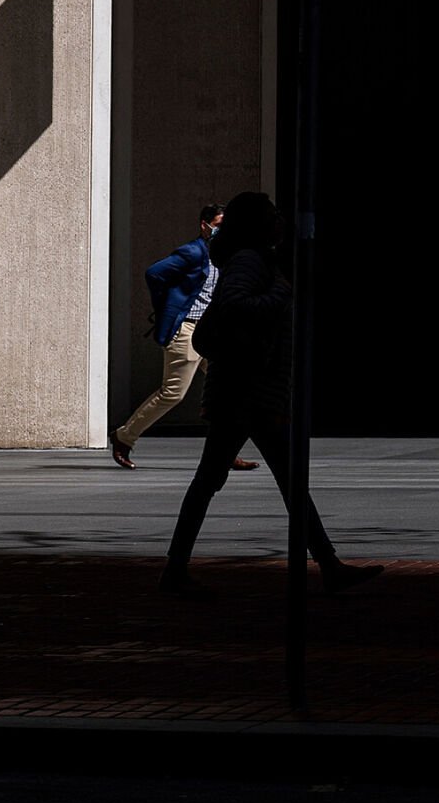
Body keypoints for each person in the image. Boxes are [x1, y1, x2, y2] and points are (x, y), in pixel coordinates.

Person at [158, 191, 381, 598]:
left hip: (248, 391)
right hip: (247, 391)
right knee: (246, 480)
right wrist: (282, 294)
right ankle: (328, 567)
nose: (280, 220)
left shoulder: (251, 260)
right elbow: (236, 305)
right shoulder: (249, 261)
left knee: (226, 480)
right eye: (273, 214)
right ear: (258, 223)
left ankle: (177, 569)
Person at [111, 203, 258, 471]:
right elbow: (154, 273)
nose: (223, 230)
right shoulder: (193, 252)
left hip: (213, 332)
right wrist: (169, 306)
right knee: (173, 393)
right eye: (219, 225)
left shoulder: (226, 254)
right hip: (188, 330)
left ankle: (225, 452)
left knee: (229, 391)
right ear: (205, 225)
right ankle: (124, 437)